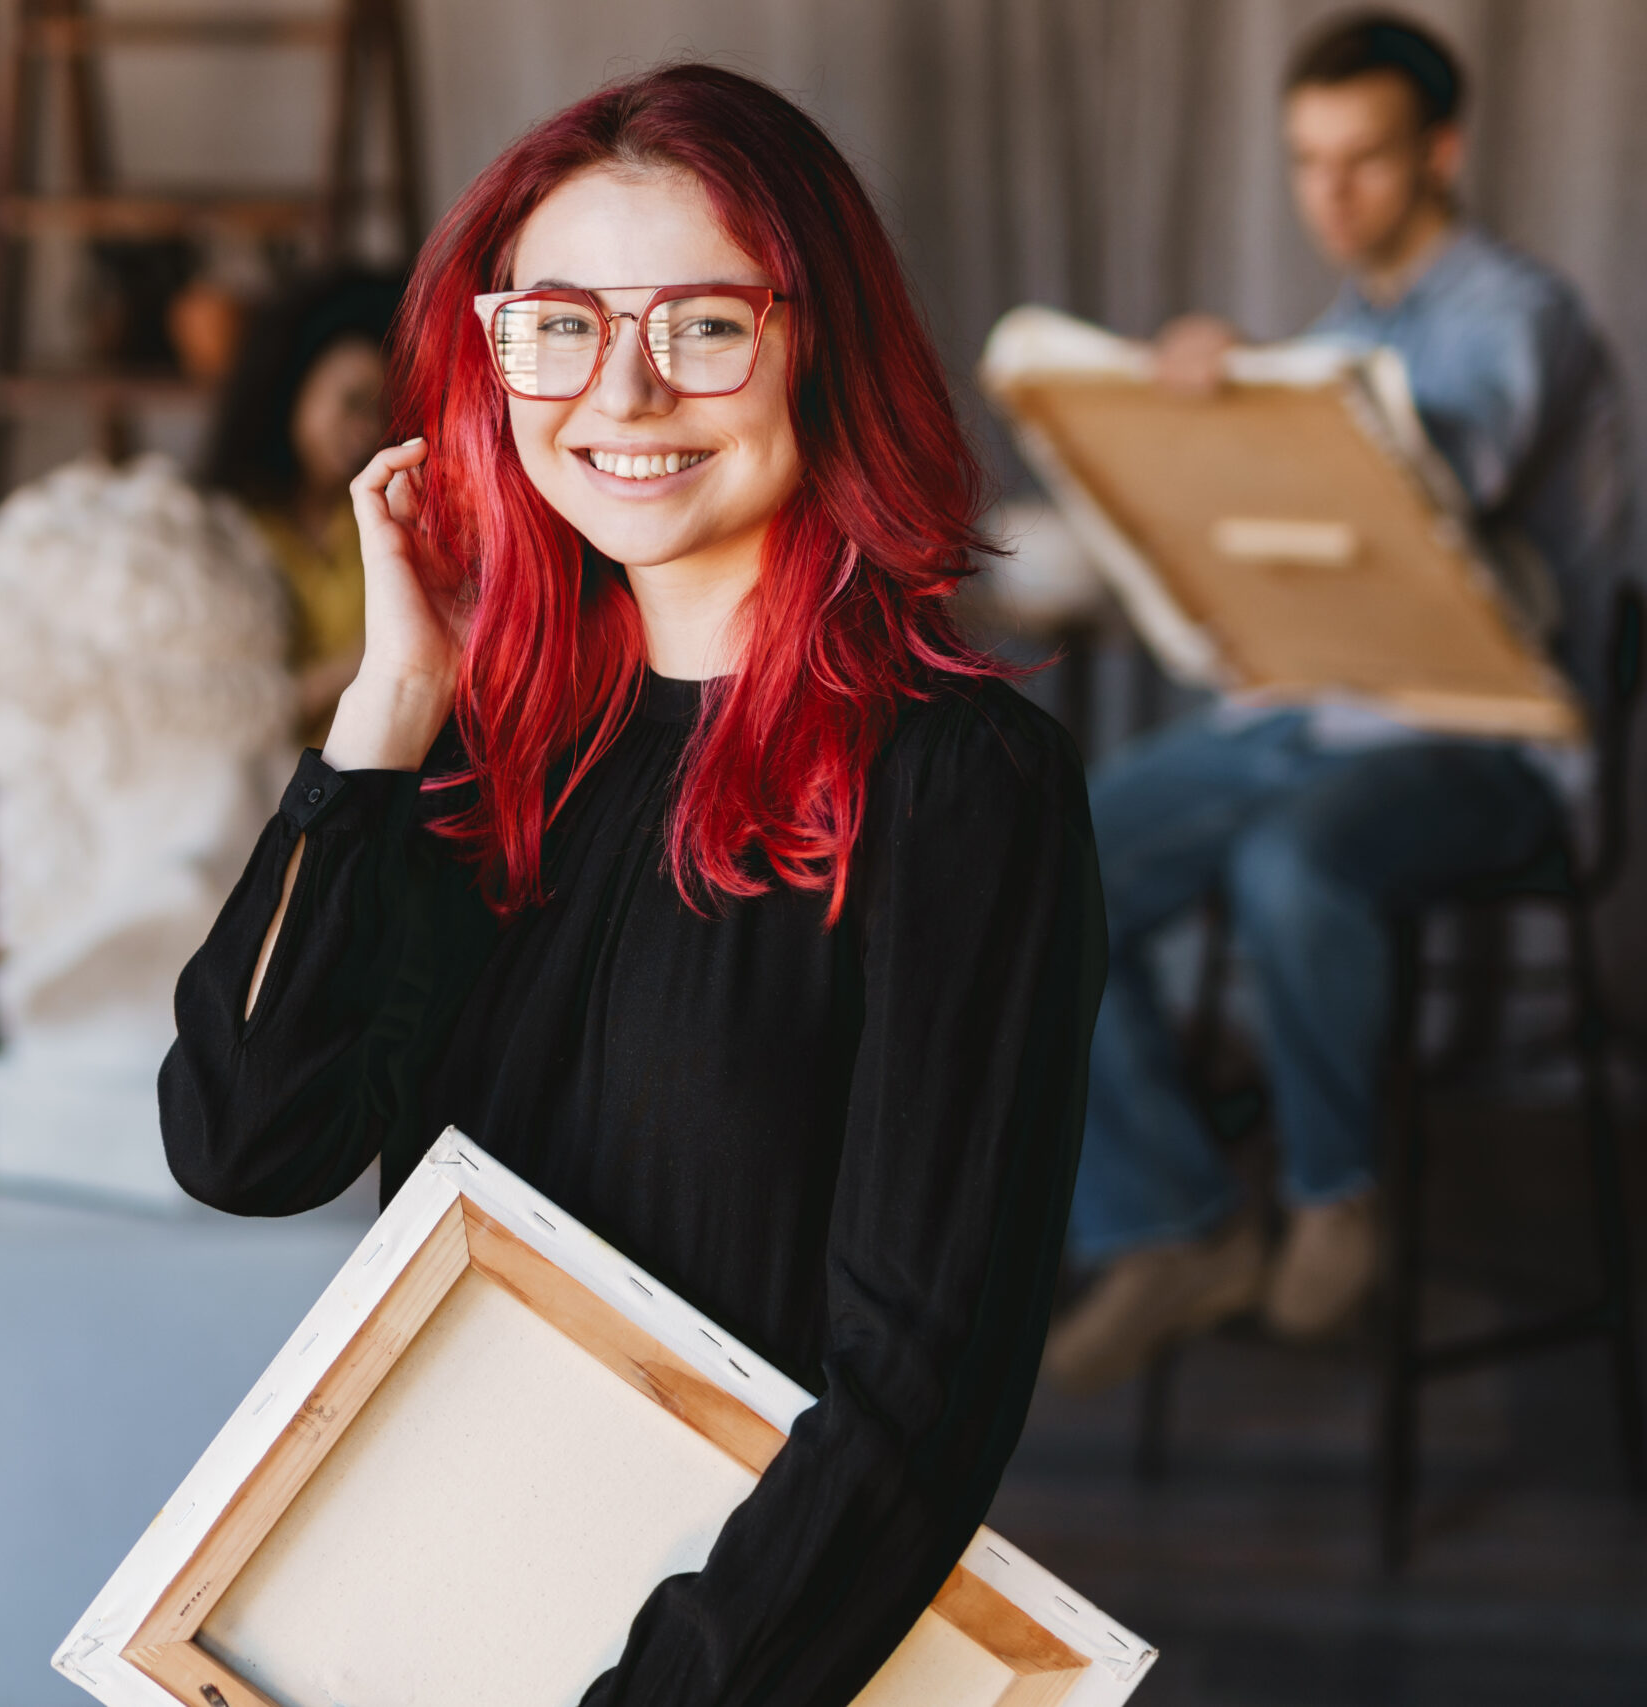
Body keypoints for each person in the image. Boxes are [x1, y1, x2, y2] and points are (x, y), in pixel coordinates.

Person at [160, 65, 1104, 1706]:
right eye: (565, 325)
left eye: (705, 327)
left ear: (824, 348)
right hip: (442, 1618)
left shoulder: (961, 791)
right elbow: (247, 1143)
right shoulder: (487, 757)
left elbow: (919, 1398)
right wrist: (385, 710)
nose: (626, 392)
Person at [1046, 12, 1639, 1394]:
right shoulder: (1345, 323)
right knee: (1046, 855)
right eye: (1310, 163)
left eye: (1366, 159)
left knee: (1295, 855)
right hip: (1312, 715)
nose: (1334, 194)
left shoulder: (1513, 313)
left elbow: (1436, 467)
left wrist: (1250, 387)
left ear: (1444, 149)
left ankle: (1336, 1189)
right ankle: (1170, 1218)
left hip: (1487, 736)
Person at [200, 269, 405, 744]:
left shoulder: (379, 513)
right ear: (295, 384)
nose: (366, 430)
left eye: (384, 410)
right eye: (352, 401)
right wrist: (367, 663)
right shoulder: (231, 530)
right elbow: (226, 710)